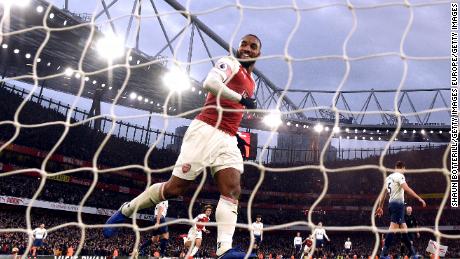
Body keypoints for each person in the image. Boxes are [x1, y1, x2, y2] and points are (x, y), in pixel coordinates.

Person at [103, 34, 262, 259]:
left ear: (259, 53)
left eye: (252, 46)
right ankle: (126, 210)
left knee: (233, 190)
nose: (246, 48)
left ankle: (225, 249)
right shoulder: (230, 63)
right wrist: (241, 99)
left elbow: (229, 109)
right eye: (243, 44)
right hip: (205, 130)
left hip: (226, 137)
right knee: (175, 188)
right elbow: (210, 83)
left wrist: (234, 132)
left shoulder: (251, 80)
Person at [376, 161, 426, 259]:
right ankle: (383, 254)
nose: (405, 171)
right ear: (402, 167)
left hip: (392, 205)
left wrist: (381, 207)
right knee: (393, 229)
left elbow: (383, 194)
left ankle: (413, 254)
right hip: (398, 205)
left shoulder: (388, 178)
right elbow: (406, 189)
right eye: (404, 169)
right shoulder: (400, 176)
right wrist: (419, 198)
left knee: (404, 229)